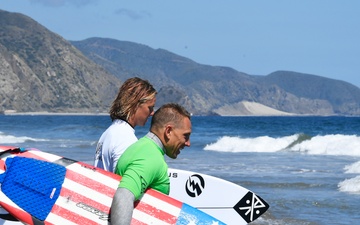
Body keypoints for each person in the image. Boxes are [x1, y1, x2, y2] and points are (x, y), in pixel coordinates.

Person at [110, 103, 192, 225]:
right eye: (185, 136)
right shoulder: (150, 156)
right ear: (168, 131)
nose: (188, 143)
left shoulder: (141, 146)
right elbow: (123, 195)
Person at [94, 77, 157, 172]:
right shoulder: (125, 138)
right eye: (150, 108)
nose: (152, 113)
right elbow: (122, 182)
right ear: (135, 105)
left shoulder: (109, 132)